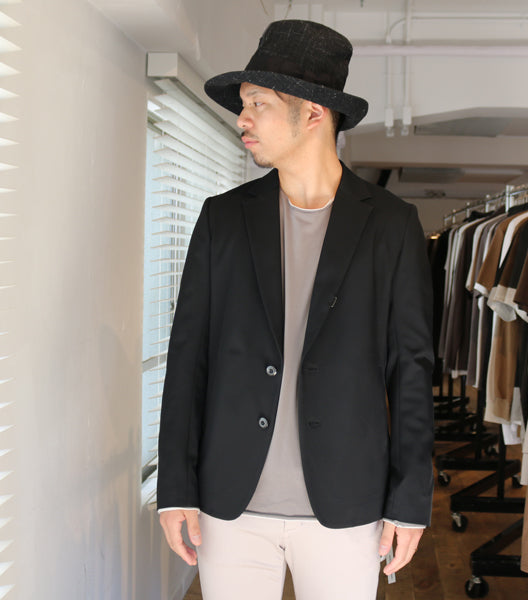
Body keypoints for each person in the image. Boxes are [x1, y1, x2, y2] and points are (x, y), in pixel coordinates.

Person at [157, 19, 434, 600]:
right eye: (244, 105)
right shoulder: (222, 219)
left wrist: (410, 499)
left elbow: (411, 370)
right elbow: (187, 359)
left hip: (347, 506)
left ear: (312, 113)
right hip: (231, 507)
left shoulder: (392, 225)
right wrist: (176, 488)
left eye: (257, 103)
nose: (242, 119)